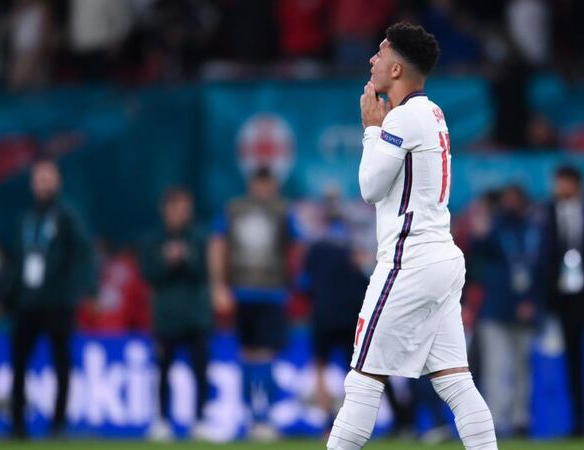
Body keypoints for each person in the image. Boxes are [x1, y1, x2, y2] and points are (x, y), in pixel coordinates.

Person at [327, 22, 498, 450]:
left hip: (410, 260)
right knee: (456, 382)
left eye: (381, 52)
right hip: (440, 256)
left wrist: (370, 128)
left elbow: (369, 188)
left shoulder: (403, 117)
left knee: (363, 378)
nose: (372, 59)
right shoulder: (433, 112)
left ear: (398, 69)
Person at [208, 167, 299, 441]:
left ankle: (266, 417)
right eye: (258, 184)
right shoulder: (234, 209)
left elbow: (297, 246)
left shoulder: (283, 210)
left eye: (267, 184)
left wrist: (293, 282)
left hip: (272, 292)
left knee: (267, 353)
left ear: (273, 185)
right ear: (251, 184)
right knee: (247, 353)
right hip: (242, 292)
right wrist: (218, 286)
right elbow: (217, 245)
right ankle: (251, 417)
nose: (262, 189)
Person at [10, 158, 95, 439]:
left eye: (48, 178)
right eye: (38, 178)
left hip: (58, 301)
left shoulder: (68, 216)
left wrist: (83, 288)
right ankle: (17, 425)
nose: (43, 183)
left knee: (61, 362)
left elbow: (83, 253)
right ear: (32, 183)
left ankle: (58, 424)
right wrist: (10, 294)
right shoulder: (25, 218)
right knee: (19, 362)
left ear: (58, 181)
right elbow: (17, 259)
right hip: (28, 302)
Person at [142, 187, 212, 441]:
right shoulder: (153, 239)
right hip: (166, 316)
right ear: (166, 210)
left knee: (200, 371)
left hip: (196, 315)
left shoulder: (200, 237)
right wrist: (167, 262)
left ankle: (200, 422)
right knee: (162, 371)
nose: (181, 213)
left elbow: (205, 270)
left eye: (185, 207)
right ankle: (161, 421)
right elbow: (149, 274)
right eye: (176, 207)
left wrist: (186, 257)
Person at [470, 185, 540, 437]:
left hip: (525, 309)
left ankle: (521, 420)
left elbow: (540, 268)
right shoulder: (495, 229)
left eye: (515, 199)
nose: (511, 204)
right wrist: (478, 233)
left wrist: (532, 300)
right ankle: (495, 420)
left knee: (523, 367)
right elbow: (475, 256)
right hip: (495, 309)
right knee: (496, 367)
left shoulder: (534, 229)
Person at [300, 193, 368, 424]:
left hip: (323, 314)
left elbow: (304, 283)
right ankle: (353, 418)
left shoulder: (315, 247)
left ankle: (328, 419)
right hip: (350, 316)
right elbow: (363, 282)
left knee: (321, 366)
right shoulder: (352, 247)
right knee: (355, 369)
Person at [537, 166, 584, 437]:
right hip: (563, 299)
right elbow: (544, 258)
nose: (558, 188)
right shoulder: (547, 213)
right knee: (571, 363)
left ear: (576, 184)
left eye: (562, 183)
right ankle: (579, 425)